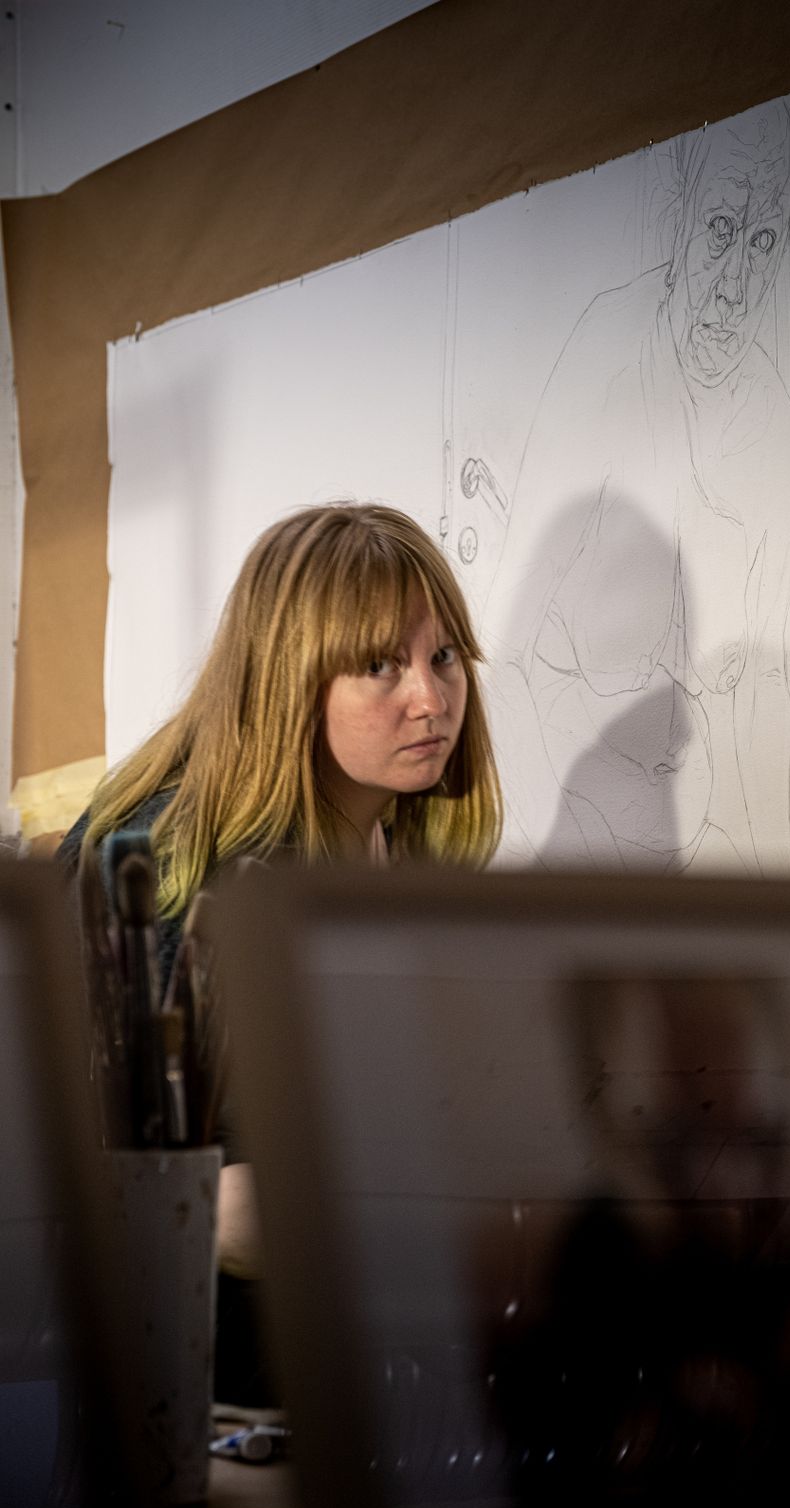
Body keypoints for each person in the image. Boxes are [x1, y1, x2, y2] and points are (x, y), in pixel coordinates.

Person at [58, 501, 502, 1395]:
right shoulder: (170, 865)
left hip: (356, 1364)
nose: (431, 699)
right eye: (380, 665)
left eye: (445, 656)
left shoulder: (407, 851)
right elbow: (86, 1174)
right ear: (289, 680)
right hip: (192, 1388)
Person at [484, 91, 790, 874]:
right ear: (680, 219)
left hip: (683, 849)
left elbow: (768, 696)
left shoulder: (774, 431)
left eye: (763, 241)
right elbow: (508, 660)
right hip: (567, 837)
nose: (735, 288)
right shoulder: (604, 353)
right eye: (721, 230)